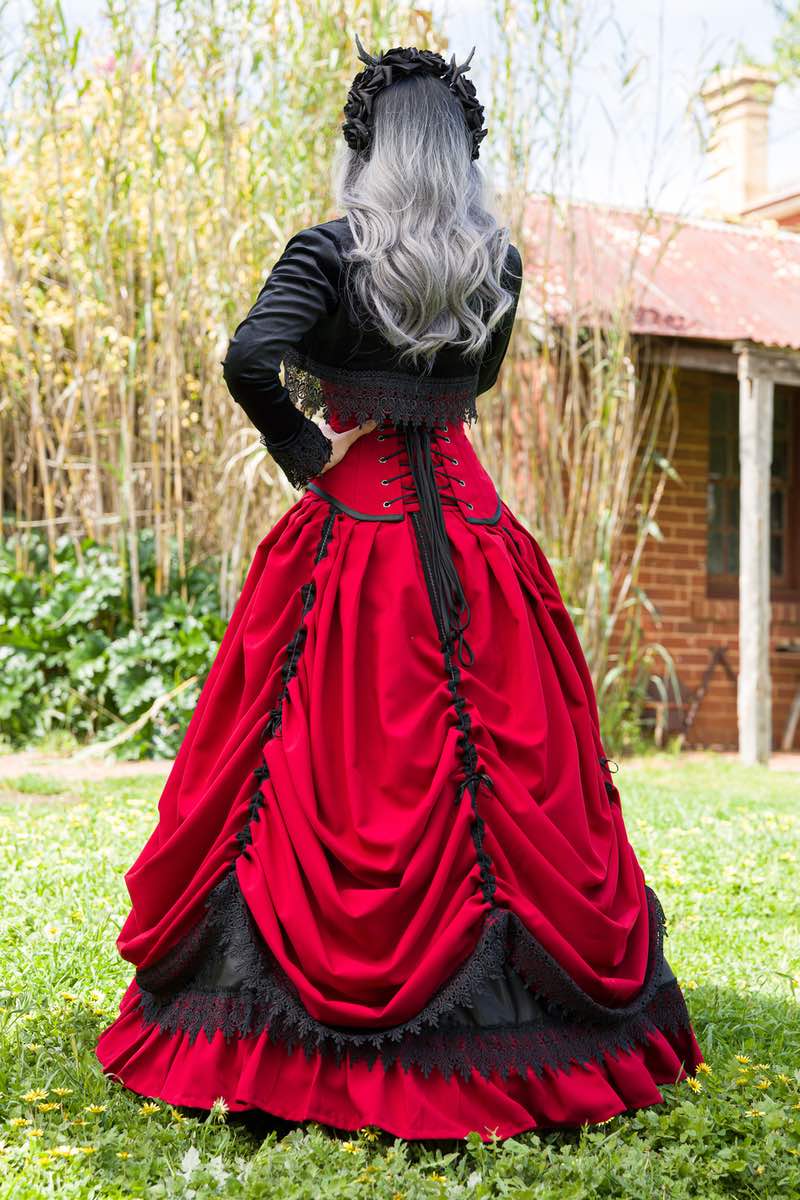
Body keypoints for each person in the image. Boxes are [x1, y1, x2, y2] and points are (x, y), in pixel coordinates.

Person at [95, 37, 703, 1142]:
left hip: (355, 522)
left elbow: (249, 355)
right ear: (461, 155)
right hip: (471, 530)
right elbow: (475, 384)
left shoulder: (325, 253)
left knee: (321, 747)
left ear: (366, 150)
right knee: (507, 757)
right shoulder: (496, 266)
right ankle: (533, 1046)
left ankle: (281, 1040)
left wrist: (302, 446)